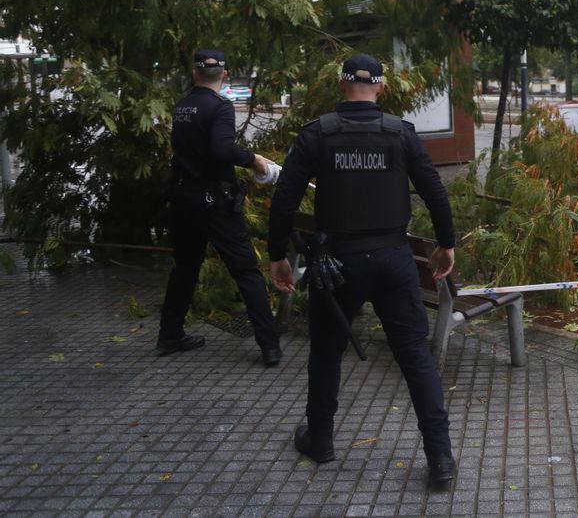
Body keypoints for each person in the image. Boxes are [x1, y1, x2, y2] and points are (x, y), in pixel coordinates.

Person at [266, 54, 457, 489]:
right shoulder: (400, 134)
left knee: (326, 354)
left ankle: (321, 439)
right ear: (382, 90)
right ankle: (441, 457)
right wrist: (446, 245)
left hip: (337, 266)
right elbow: (434, 193)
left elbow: (284, 200)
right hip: (393, 260)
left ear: (341, 86)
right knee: (415, 359)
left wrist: (277, 255)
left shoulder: (318, 134)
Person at [158, 49, 282, 367]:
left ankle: (170, 335)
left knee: (185, 267)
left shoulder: (183, 106)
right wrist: (254, 160)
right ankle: (269, 346)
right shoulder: (219, 108)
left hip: (184, 199)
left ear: (194, 73)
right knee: (246, 272)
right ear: (224, 75)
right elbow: (221, 148)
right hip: (212, 200)